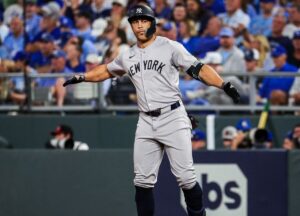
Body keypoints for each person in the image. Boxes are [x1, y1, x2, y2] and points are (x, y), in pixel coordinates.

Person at [63, 4, 240, 216]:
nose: (139, 25)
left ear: (153, 22)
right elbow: (106, 70)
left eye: (143, 20)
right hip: (146, 121)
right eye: (135, 21)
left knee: (186, 178)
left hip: (173, 116)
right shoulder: (127, 55)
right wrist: (84, 76)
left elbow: (199, 68)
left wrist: (222, 84)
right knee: (142, 183)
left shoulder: (170, 47)